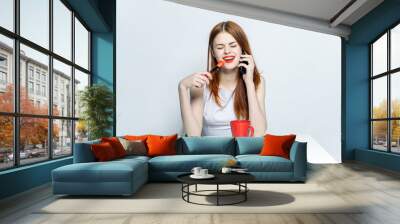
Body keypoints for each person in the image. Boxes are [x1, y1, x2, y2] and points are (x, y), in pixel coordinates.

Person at [178, 21, 266, 137]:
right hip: (212, 153)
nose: (227, 51)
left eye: (233, 45)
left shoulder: (257, 82)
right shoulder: (201, 85)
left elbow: (259, 134)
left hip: (243, 154)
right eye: (220, 47)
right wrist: (182, 88)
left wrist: (249, 82)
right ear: (213, 53)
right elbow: (192, 136)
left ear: (242, 49)